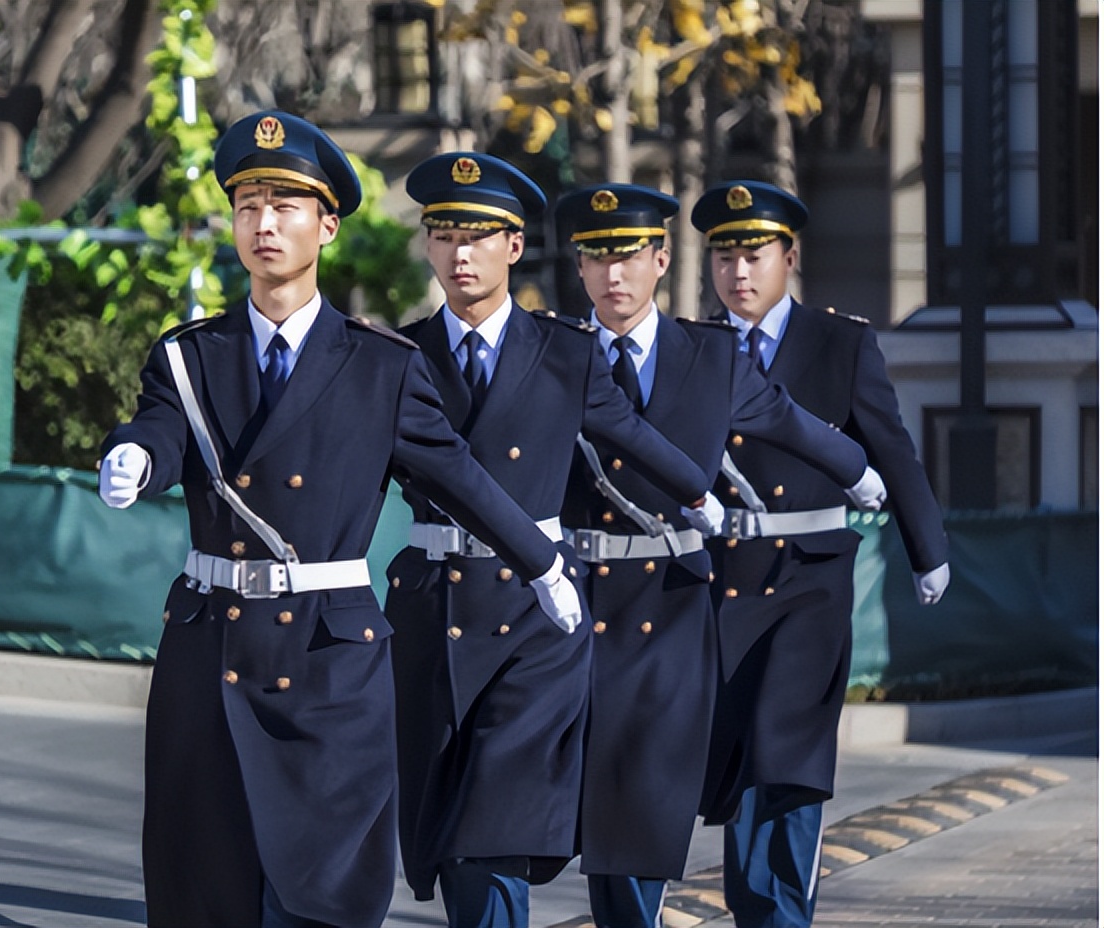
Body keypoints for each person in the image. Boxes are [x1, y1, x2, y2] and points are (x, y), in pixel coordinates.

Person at [96, 111, 584, 928]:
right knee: (203, 888)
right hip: (210, 648)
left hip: (327, 662)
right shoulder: (191, 355)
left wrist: (540, 563)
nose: (264, 224)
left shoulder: (381, 367)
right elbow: (162, 422)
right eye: (249, 205)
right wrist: (135, 455)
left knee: (318, 896)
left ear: (325, 226)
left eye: (286, 207)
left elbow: (459, 478)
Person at [384, 152, 723, 928]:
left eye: (479, 235)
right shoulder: (396, 356)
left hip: (538, 619)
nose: (459, 253)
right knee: (450, 833)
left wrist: (695, 491)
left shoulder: (565, 350)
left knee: (494, 826)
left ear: (514, 246)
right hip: (433, 607)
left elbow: (625, 431)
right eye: (443, 234)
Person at [553, 183, 883, 928]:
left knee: (646, 795)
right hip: (580, 598)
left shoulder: (706, 353)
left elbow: (784, 418)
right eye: (596, 259)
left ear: (661, 260)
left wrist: (860, 470)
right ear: (577, 268)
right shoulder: (554, 351)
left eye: (629, 257)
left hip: (674, 600)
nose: (614, 276)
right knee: (604, 803)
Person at [690, 180, 951, 928]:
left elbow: (890, 448)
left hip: (810, 577)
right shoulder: (692, 346)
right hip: (720, 582)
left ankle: (780, 913)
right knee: (739, 761)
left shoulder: (841, 342)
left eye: (754, 254)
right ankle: (755, 906)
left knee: (789, 753)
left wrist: (925, 546)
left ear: (789, 257)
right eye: (724, 256)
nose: (739, 272)